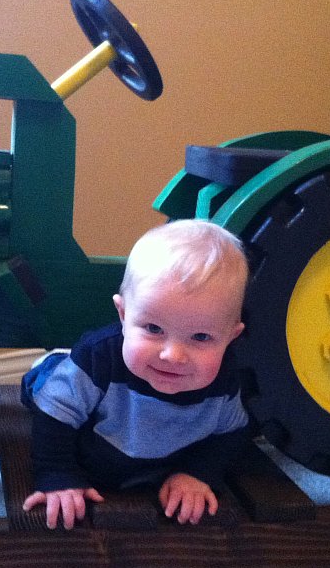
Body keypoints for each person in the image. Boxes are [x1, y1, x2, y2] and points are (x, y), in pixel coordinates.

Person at [20, 219, 250, 530]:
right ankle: (51, 364)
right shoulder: (97, 360)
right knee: (48, 391)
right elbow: (54, 417)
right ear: (124, 315)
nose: (173, 355)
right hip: (83, 415)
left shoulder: (224, 381)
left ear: (230, 337)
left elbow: (229, 434)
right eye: (154, 329)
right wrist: (57, 475)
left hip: (135, 450)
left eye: (201, 337)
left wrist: (198, 474)